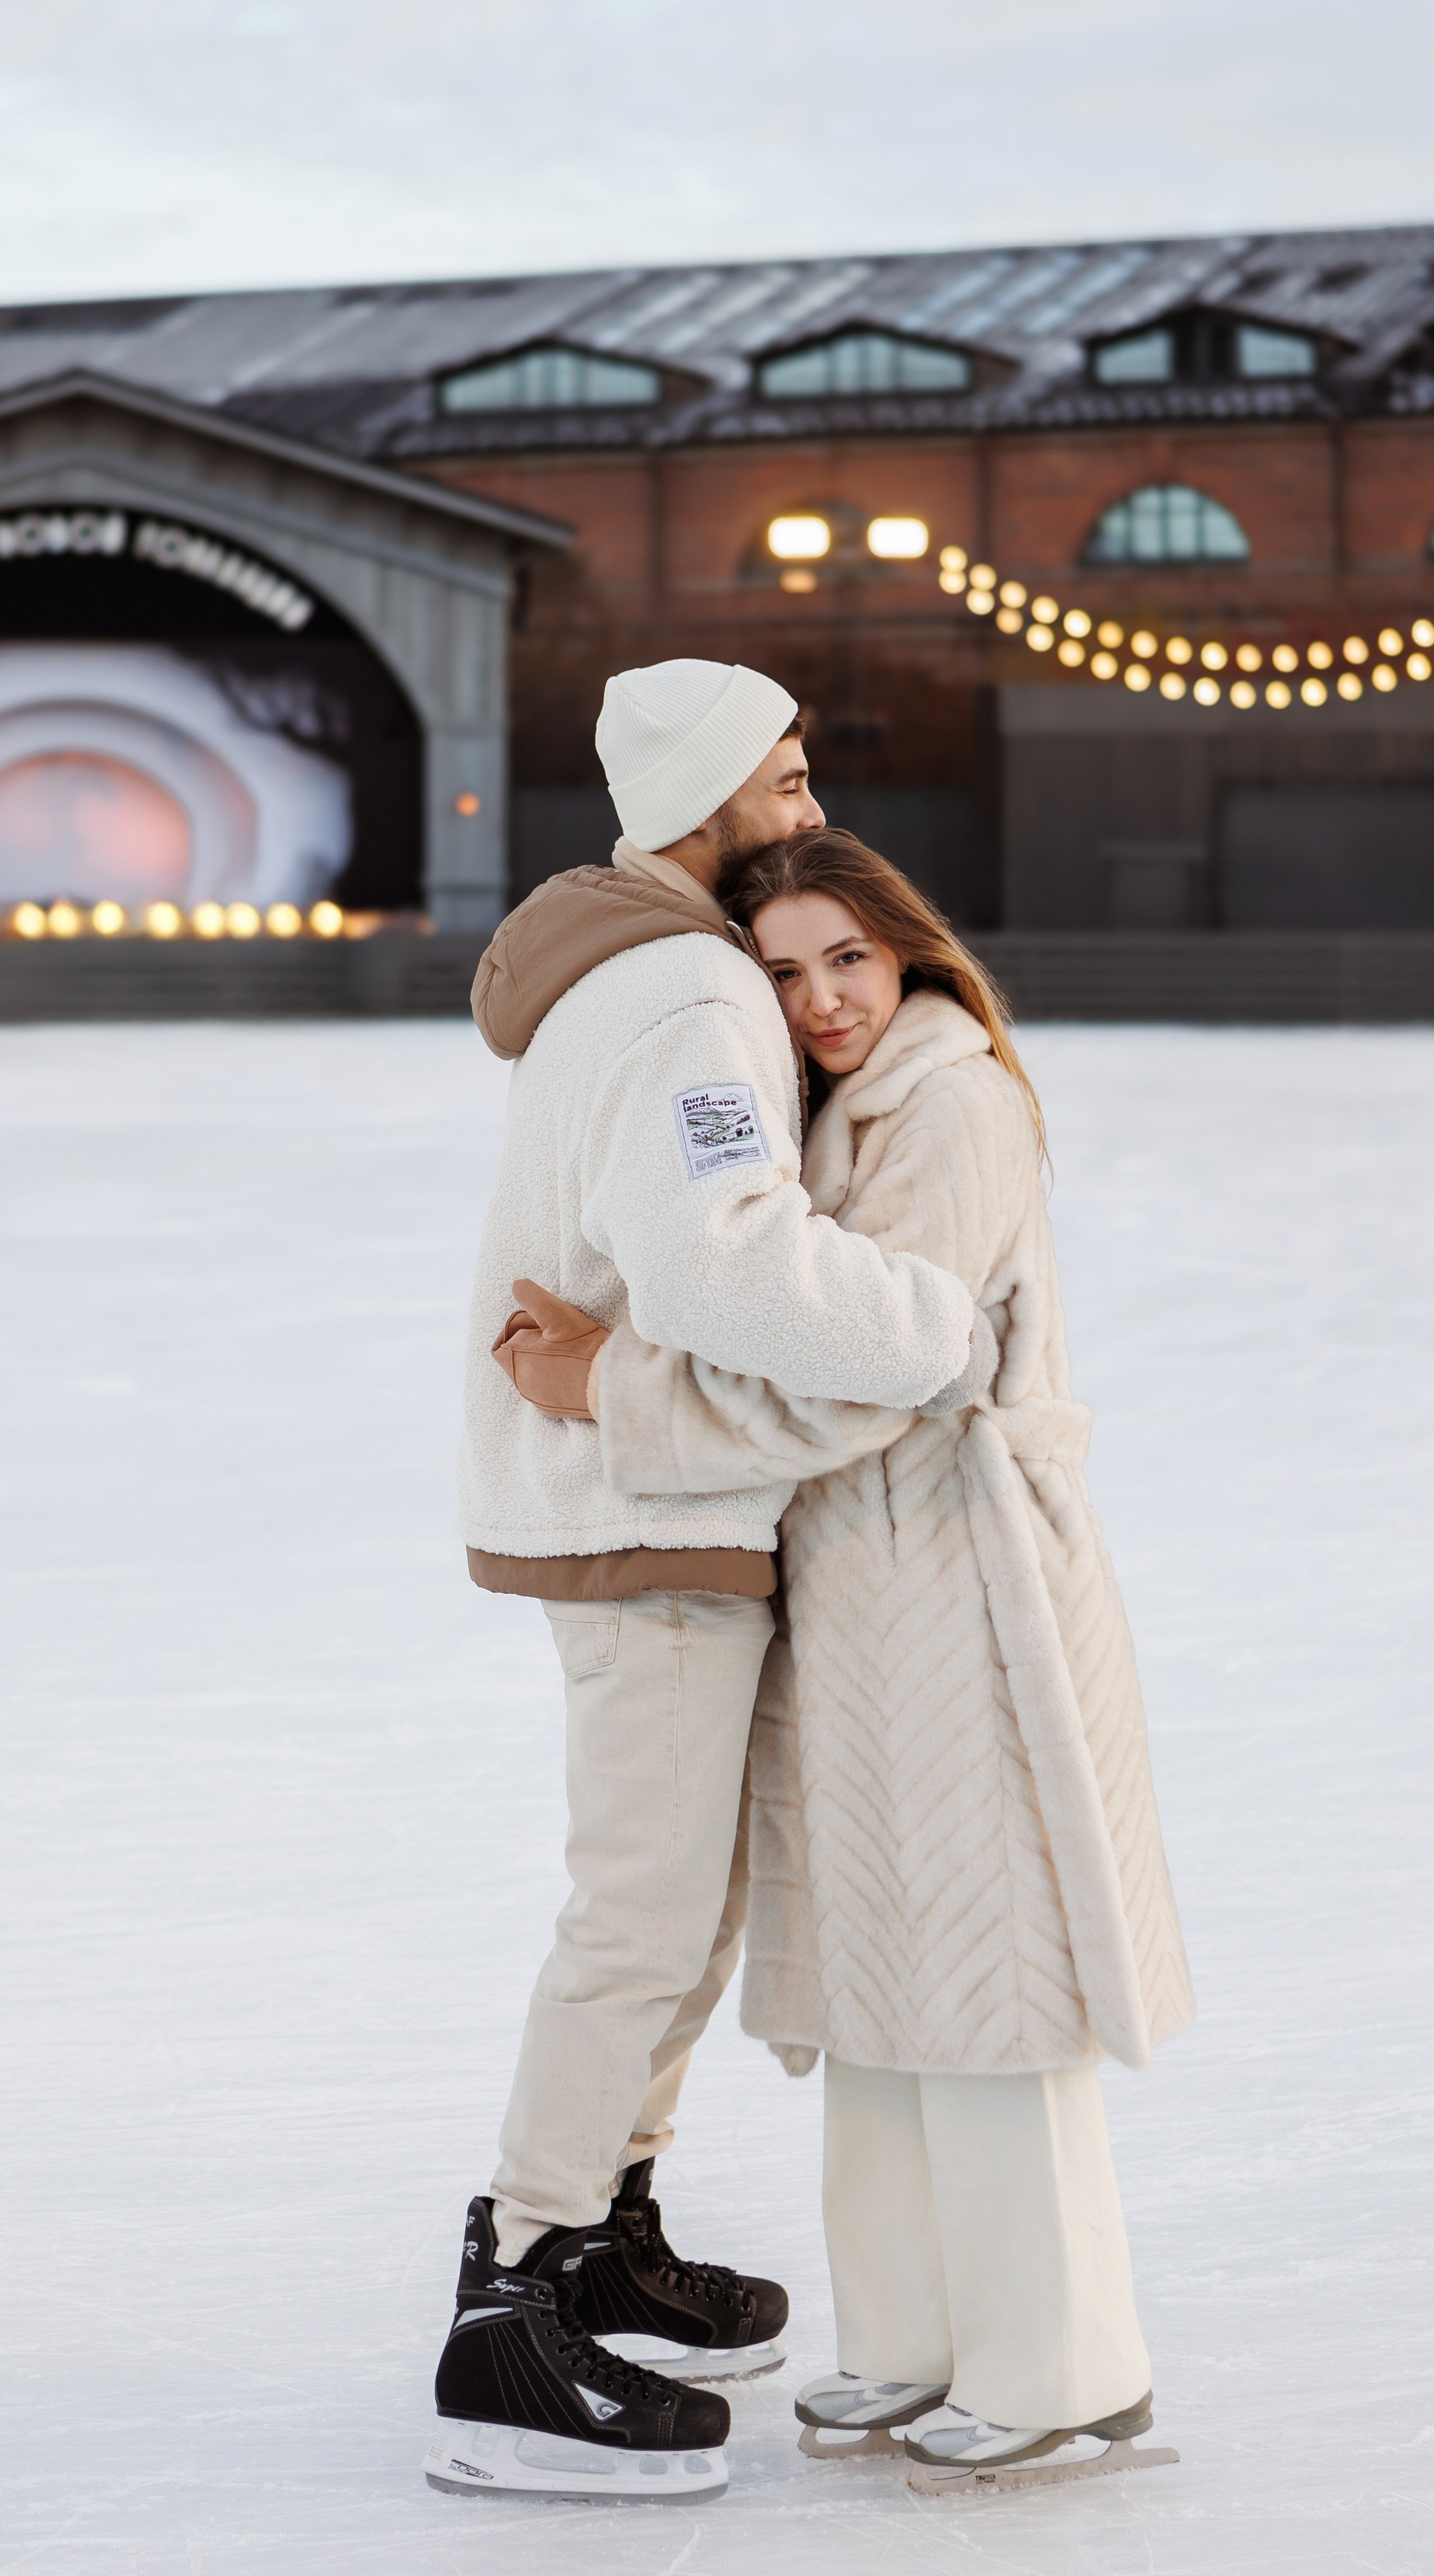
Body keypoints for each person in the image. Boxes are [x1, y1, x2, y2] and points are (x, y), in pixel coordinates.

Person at [503, 828, 1194, 2483]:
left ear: (911, 957)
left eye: (848, 962)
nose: (819, 1000)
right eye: (786, 971)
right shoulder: (816, 1112)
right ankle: (906, 2338)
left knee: (988, 1980)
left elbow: (879, 1368)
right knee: (888, 1976)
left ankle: (1058, 2362)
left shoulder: (951, 1101)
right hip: (854, 1584)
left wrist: (614, 1387)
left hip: (965, 1586)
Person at [426, 670, 993, 2503]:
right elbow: (720, 1262)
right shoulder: (685, 993)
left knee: (685, 1910)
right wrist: (918, 1325)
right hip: (640, 1512)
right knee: (642, 1917)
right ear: (701, 796)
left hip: (649, 1499)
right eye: (784, 775)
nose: (809, 795)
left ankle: (603, 2228)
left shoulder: (651, 970)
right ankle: (512, 2290)